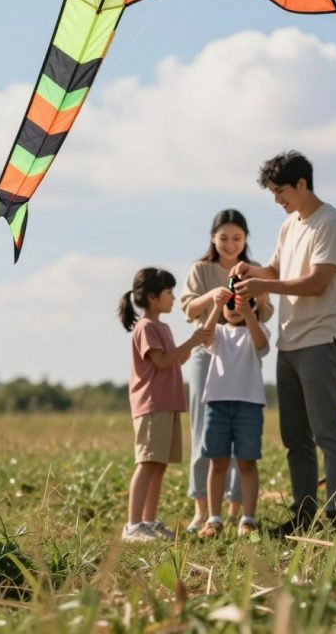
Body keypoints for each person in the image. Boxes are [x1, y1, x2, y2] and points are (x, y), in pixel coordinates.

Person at [233, 150, 336, 536]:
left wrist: (263, 284)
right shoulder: (291, 226)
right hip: (289, 345)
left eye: (280, 190)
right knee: (295, 438)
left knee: (327, 434)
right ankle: (304, 517)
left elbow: (317, 283)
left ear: (302, 184)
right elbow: (276, 270)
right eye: (272, 192)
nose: (276, 199)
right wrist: (249, 270)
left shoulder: (330, 224)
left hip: (321, 340)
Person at [181, 209, 273, 532]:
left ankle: (237, 508)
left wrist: (255, 296)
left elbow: (266, 313)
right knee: (204, 434)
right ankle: (202, 509)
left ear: (245, 239)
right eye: (224, 238)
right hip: (207, 350)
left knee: (242, 441)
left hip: (243, 350)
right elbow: (188, 308)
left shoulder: (252, 271)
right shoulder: (201, 269)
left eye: (237, 238)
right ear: (213, 238)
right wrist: (213, 298)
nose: (230, 244)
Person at [118, 267, 209, 542]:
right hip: (151, 405)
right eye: (169, 292)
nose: (173, 297)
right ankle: (133, 526)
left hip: (167, 404)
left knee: (159, 464)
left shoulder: (162, 327)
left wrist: (192, 345)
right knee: (147, 463)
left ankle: (148, 521)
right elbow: (161, 362)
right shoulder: (146, 328)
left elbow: (175, 359)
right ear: (153, 297)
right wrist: (193, 341)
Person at [198, 281, 270, 538]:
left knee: (247, 462)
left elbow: (261, 346)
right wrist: (216, 306)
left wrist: (250, 313)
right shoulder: (217, 331)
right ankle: (214, 519)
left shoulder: (257, 329)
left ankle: (248, 519)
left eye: (241, 302)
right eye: (231, 304)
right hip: (217, 404)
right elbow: (204, 339)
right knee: (217, 463)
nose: (234, 308)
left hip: (249, 405)